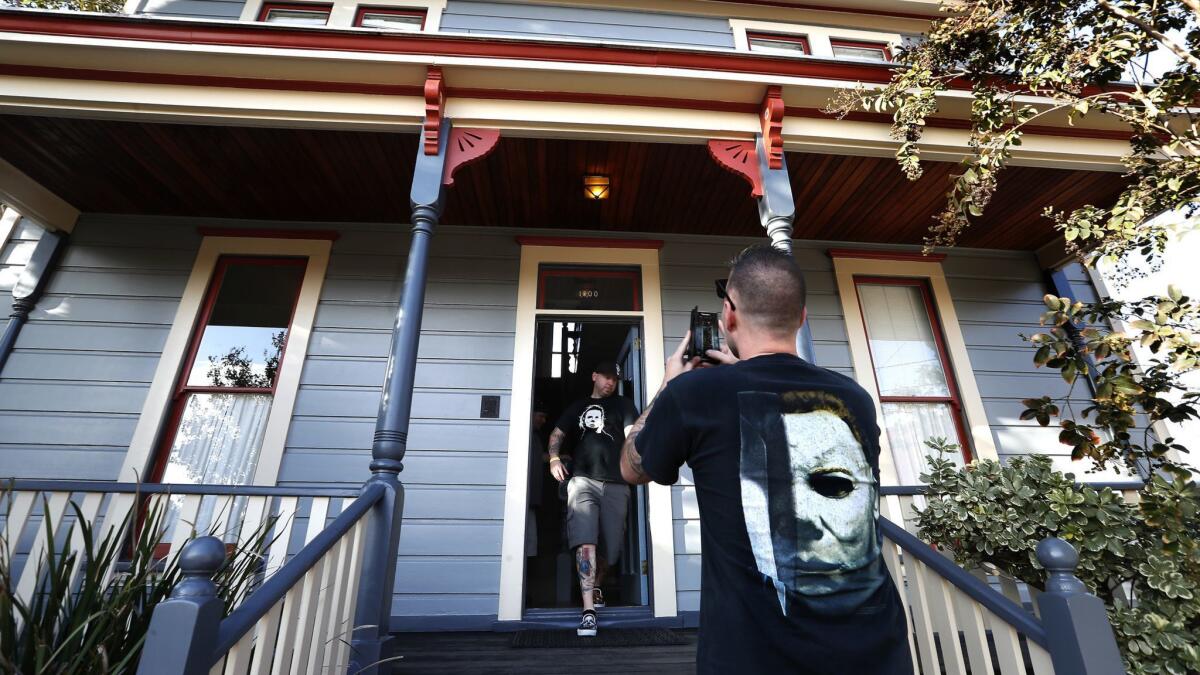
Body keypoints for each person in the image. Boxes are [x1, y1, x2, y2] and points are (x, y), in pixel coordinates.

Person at [620, 245, 912, 674]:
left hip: (754, 655)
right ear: (802, 316)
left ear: (728, 315)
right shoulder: (854, 398)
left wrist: (668, 386)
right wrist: (739, 374)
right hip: (875, 650)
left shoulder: (693, 394)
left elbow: (631, 468)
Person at [548, 361, 639, 637]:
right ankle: (588, 611)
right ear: (594, 375)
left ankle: (596, 585)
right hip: (583, 481)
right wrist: (553, 457)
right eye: (606, 377)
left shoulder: (624, 405)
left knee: (611, 550)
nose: (611, 383)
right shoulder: (578, 406)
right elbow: (557, 434)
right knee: (585, 543)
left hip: (616, 484)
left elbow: (631, 437)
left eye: (615, 379)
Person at [526, 400, 549, 558]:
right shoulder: (524, 435)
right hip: (523, 500)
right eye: (541, 416)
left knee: (530, 543)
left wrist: (557, 458)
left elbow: (539, 457)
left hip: (531, 500)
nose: (543, 421)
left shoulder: (535, 437)